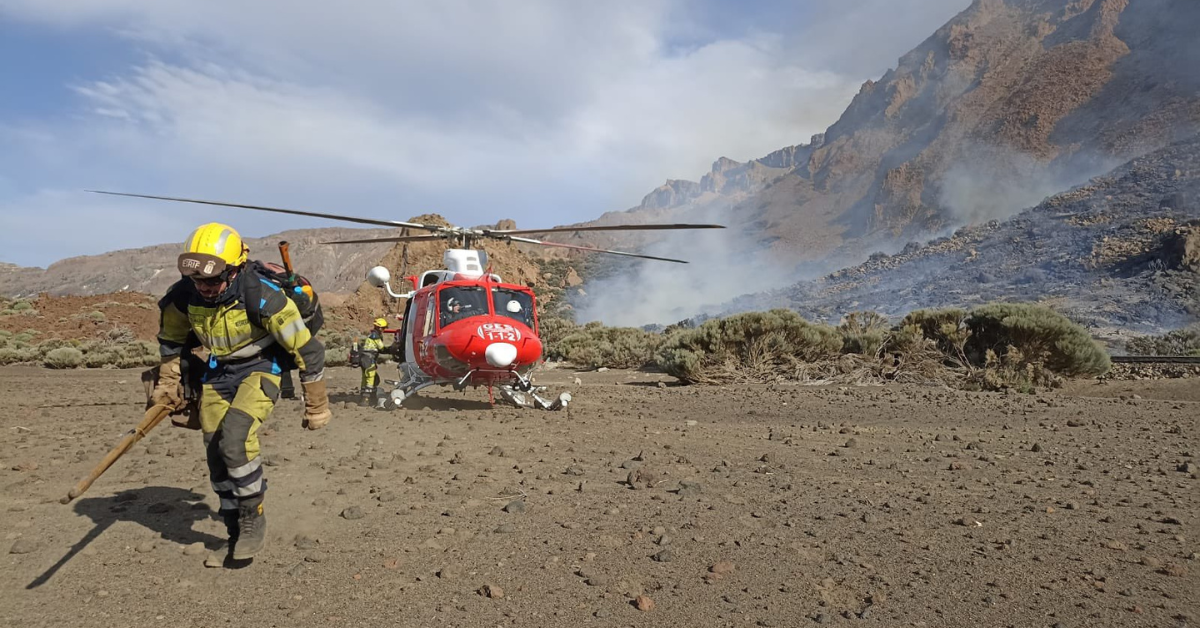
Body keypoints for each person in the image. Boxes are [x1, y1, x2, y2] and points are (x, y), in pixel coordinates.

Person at [149, 222, 331, 561]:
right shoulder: (183, 296)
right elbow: (171, 342)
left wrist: (316, 405)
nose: (203, 287)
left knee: (235, 439)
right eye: (196, 279)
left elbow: (309, 351)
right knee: (216, 453)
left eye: (212, 279)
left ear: (234, 271)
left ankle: (252, 518)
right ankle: (232, 525)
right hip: (219, 372)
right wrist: (167, 384)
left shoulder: (263, 297)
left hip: (261, 367)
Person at [359, 317, 388, 407]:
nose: (383, 330)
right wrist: (394, 348)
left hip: (364, 360)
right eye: (383, 328)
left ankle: (364, 398)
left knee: (365, 378)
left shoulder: (371, 336)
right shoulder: (375, 337)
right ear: (379, 328)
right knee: (371, 379)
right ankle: (366, 400)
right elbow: (382, 348)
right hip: (369, 360)